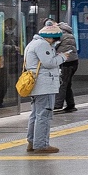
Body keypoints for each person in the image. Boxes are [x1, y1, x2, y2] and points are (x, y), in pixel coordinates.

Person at [23, 21, 65, 154]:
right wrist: (63, 57)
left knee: (35, 114)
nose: (54, 43)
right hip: (44, 85)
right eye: (54, 40)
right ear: (51, 37)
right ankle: (41, 144)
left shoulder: (32, 43)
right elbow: (49, 62)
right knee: (44, 115)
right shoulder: (42, 45)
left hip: (37, 84)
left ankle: (32, 142)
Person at [56, 20, 79, 113]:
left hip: (66, 63)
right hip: (73, 62)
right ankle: (70, 104)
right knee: (67, 84)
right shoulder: (70, 34)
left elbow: (53, 46)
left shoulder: (61, 36)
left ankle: (57, 105)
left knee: (62, 84)